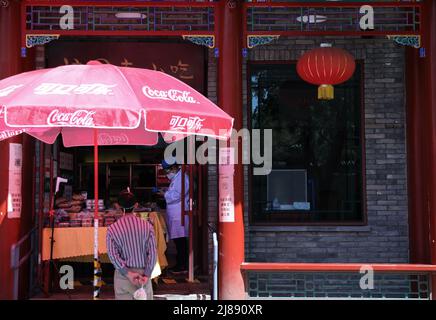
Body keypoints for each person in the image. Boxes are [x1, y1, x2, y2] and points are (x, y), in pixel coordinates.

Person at [106, 189, 157, 300]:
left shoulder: (112, 229)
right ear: (136, 205)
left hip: (123, 276)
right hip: (143, 274)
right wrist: (147, 275)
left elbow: (112, 256)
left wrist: (128, 273)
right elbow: (153, 254)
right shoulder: (147, 227)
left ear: (118, 206)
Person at [158, 159, 189, 274]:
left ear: (175, 167)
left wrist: (164, 193)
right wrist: (165, 191)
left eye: (168, 170)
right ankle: (180, 264)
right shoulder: (177, 178)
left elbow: (177, 195)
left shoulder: (182, 178)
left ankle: (182, 266)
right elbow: (174, 192)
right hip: (175, 213)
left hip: (179, 214)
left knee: (180, 241)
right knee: (178, 240)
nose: (167, 173)